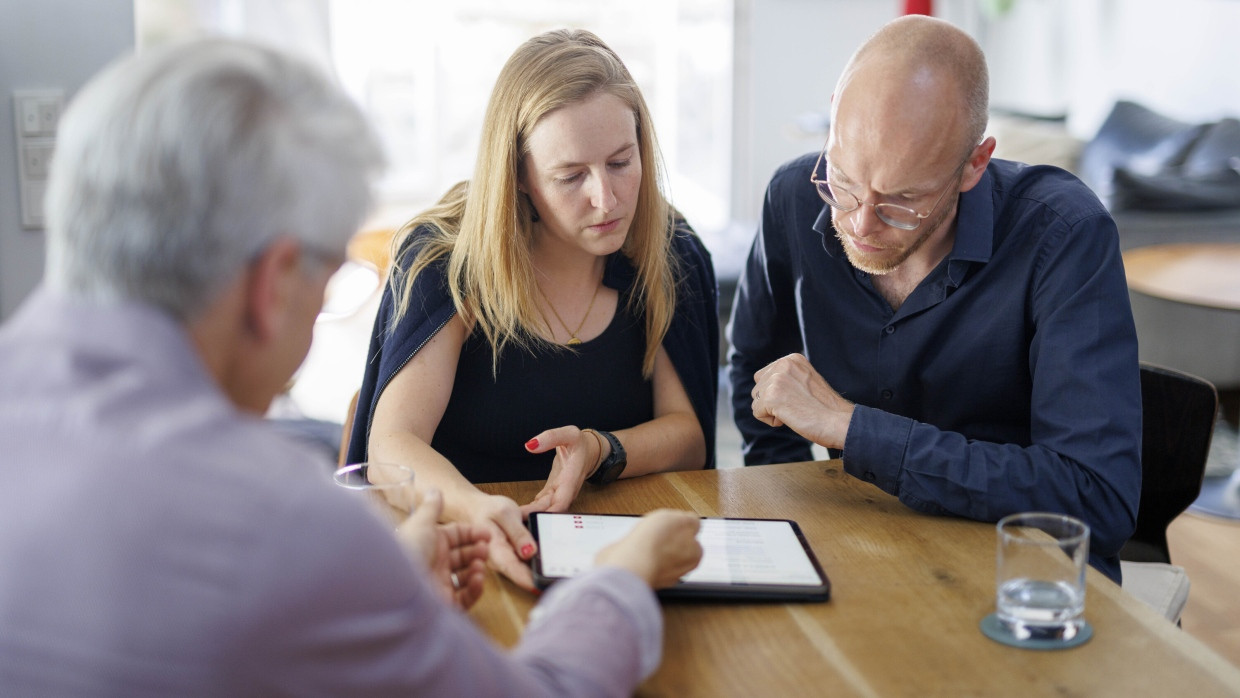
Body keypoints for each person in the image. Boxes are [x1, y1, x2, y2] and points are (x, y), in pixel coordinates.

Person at [0, 38, 703, 696]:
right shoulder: (288, 527)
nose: (603, 196)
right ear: (274, 285)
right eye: (332, 277)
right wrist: (619, 577)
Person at [727, 16, 1141, 583]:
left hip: (1017, 573)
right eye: (843, 181)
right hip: (853, 550)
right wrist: (792, 517)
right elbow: (756, 375)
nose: (860, 223)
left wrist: (854, 430)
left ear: (975, 162)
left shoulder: (1065, 235)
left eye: (902, 200)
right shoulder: (793, 199)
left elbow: (1096, 498)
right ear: (833, 118)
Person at [347, 29, 719, 589]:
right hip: (459, 550)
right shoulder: (447, 259)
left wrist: (601, 448)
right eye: (570, 176)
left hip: (620, 547)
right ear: (518, 177)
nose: (606, 199)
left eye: (622, 162)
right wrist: (476, 510)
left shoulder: (672, 254)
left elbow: (689, 438)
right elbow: (391, 448)